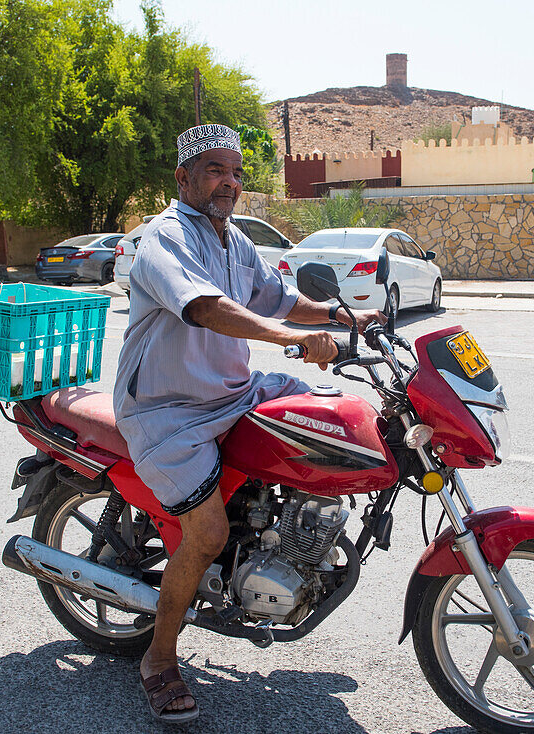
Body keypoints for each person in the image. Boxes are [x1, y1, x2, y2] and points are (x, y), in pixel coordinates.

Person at [113, 123, 385, 723]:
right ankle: (159, 659)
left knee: (325, 420)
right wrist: (294, 339)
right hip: (169, 410)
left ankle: (279, 540)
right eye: (215, 170)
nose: (229, 182)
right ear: (183, 178)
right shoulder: (163, 239)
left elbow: (278, 299)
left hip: (231, 394)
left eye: (236, 172)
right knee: (205, 534)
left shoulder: (234, 240)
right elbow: (209, 308)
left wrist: (349, 318)